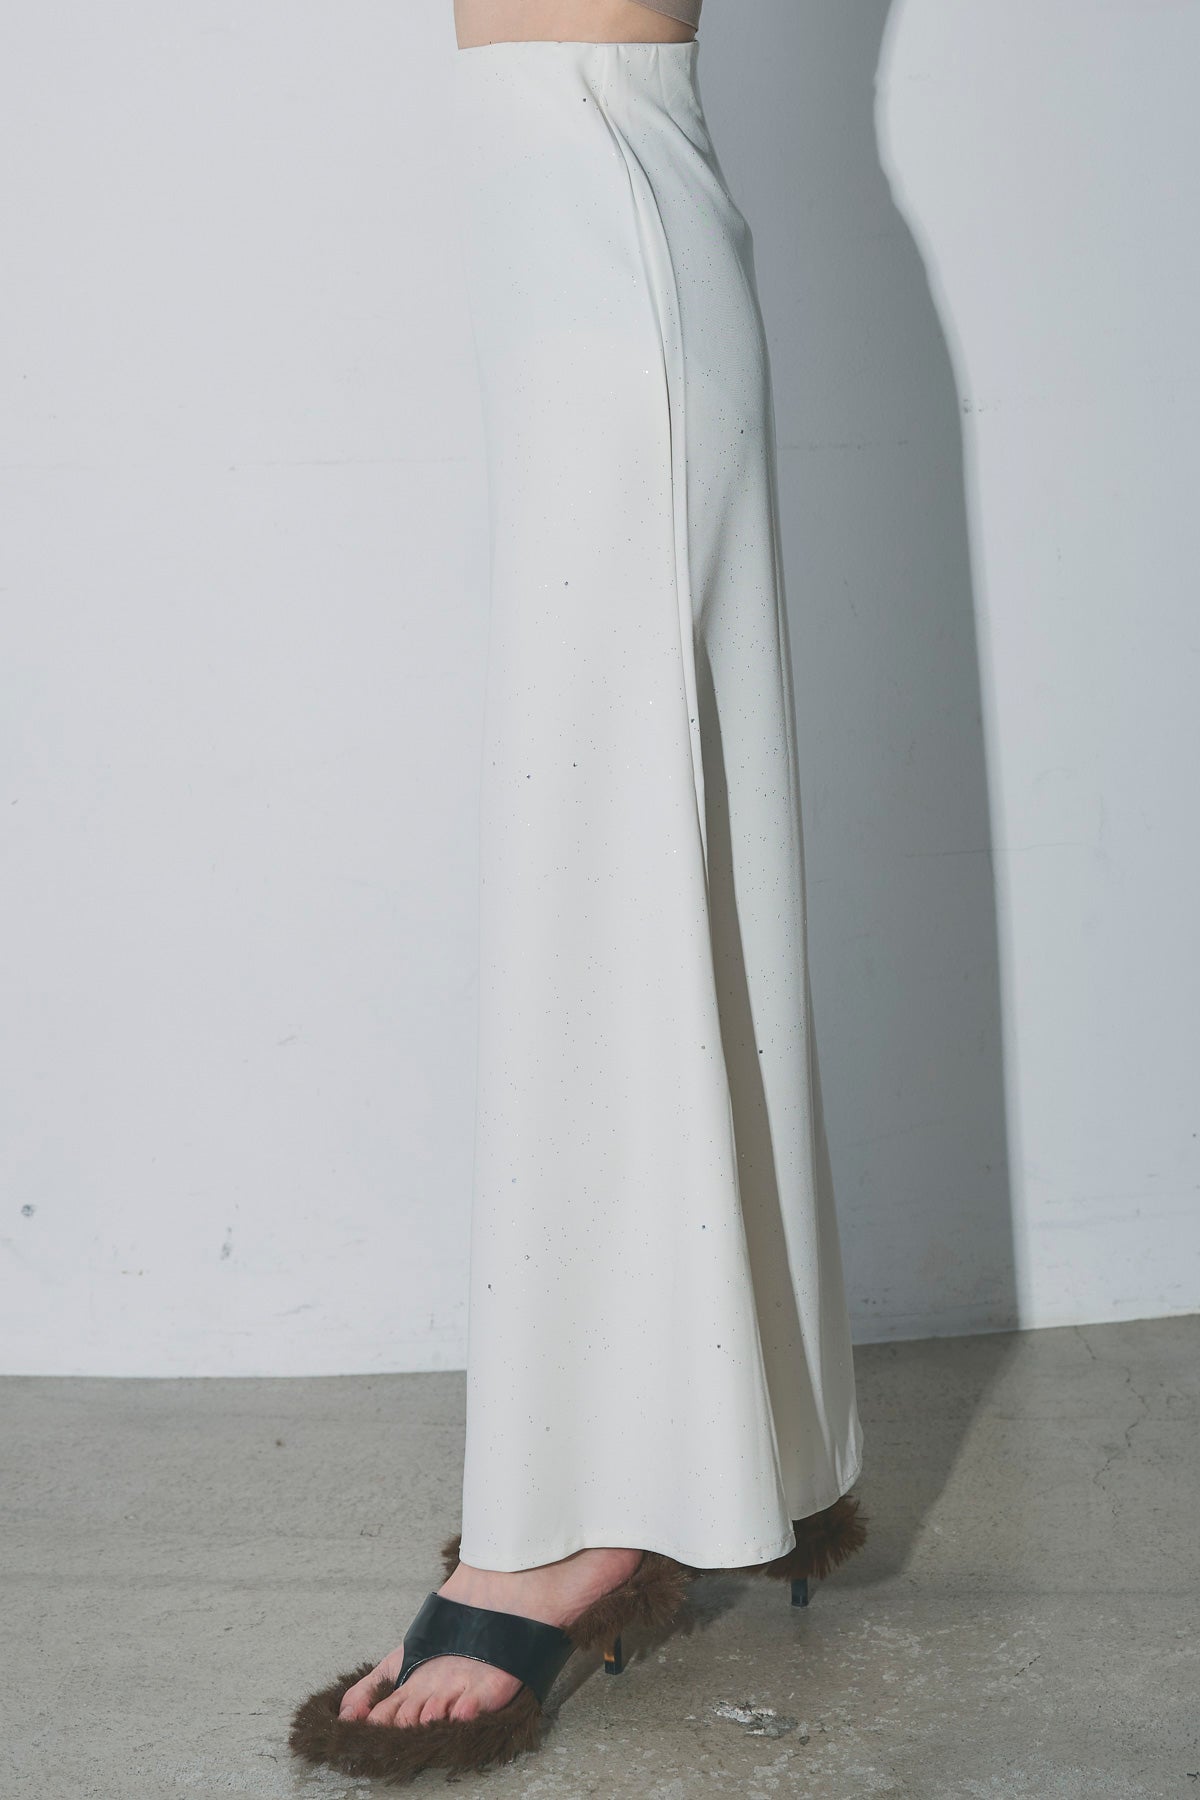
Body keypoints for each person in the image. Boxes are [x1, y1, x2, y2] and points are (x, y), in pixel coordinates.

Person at [291, 0, 866, 1779]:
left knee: (601, 863)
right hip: (573, 209)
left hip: (594, 206)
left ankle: (576, 1509)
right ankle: (739, 1441)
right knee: (628, 844)